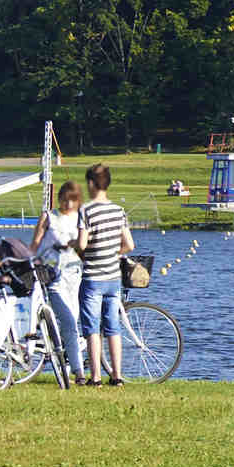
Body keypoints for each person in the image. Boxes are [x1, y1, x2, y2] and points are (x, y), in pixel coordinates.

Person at [74, 163, 134, 386]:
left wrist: (76, 246)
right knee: (113, 327)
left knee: (91, 329)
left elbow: (82, 243)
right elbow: (129, 244)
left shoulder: (86, 210)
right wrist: (113, 252)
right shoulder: (119, 210)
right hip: (113, 278)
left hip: (92, 278)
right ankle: (117, 376)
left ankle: (96, 377)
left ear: (91, 183)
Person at [29, 180, 85, 381]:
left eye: (73, 201)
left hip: (75, 275)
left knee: (73, 323)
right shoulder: (48, 217)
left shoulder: (80, 218)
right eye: (65, 200)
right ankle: (79, 372)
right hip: (51, 276)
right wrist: (27, 260)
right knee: (69, 322)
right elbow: (35, 244)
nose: (68, 205)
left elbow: (85, 246)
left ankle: (67, 364)